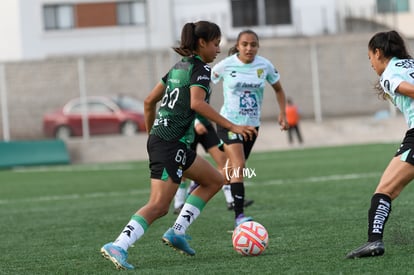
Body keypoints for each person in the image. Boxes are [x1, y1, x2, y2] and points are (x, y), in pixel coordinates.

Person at [100, 21, 257, 270]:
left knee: (214, 180)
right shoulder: (201, 70)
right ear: (202, 43)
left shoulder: (177, 68)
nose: (218, 49)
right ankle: (119, 245)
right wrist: (233, 126)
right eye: (216, 44)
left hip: (168, 142)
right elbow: (196, 103)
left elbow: (149, 101)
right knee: (159, 206)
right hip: (171, 144)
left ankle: (178, 232)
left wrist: (152, 132)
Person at [346, 30, 414, 259]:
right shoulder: (411, 64)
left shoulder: (390, 73)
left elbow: (409, 90)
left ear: (378, 52)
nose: (371, 64)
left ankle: (374, 241)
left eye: (370, 58)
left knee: (383, 191)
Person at [211, 29, 289, 227]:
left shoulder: (265, 66)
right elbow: (204, 85)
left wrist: (283, 113)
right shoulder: (226, 65)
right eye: (245, 44)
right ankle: (239, 216)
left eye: (253, 44)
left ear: (258, 47)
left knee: (228, 171)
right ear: (237, 46)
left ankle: (199, 182)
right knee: (239, 165)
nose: (249, 48)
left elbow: (279, 89)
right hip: (229, 123)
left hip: (252, 126)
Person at [172, 114, 254, 214]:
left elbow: (203, 105)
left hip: (205, 124)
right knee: (183, 166)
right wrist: (196, 122)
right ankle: (179, 203)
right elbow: (192, 103)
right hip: (187, 127)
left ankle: (230, 199)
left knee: (223, 160)